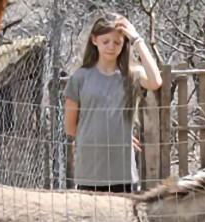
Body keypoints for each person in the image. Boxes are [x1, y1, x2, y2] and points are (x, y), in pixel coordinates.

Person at [64, 13, 162, 193]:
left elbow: (156, 81)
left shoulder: (132, 75)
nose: (111, 46)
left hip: (123, 170)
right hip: (89, 169)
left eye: (117, 42)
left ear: (124, 44)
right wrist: (104, 136)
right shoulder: (79, 78)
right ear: (94, 40)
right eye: (106, 41)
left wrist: (137, 39)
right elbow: (70, 127)